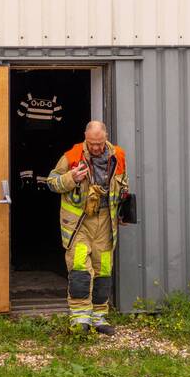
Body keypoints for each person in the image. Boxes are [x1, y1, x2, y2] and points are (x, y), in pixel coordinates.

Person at [46, 121, 129, 334]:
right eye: (92, 144)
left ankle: (99, 317)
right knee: (80, 269)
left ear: (106, 138)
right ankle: (80, 319)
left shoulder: (117, 156)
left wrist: (124, 211)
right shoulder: (72, 157)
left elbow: (124, 186)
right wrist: (71, 178)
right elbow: (51, 182)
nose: (96, 148)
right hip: (80, 223)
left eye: (100, 143)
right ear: (85, 137)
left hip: (106, 223)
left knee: (103, 269)